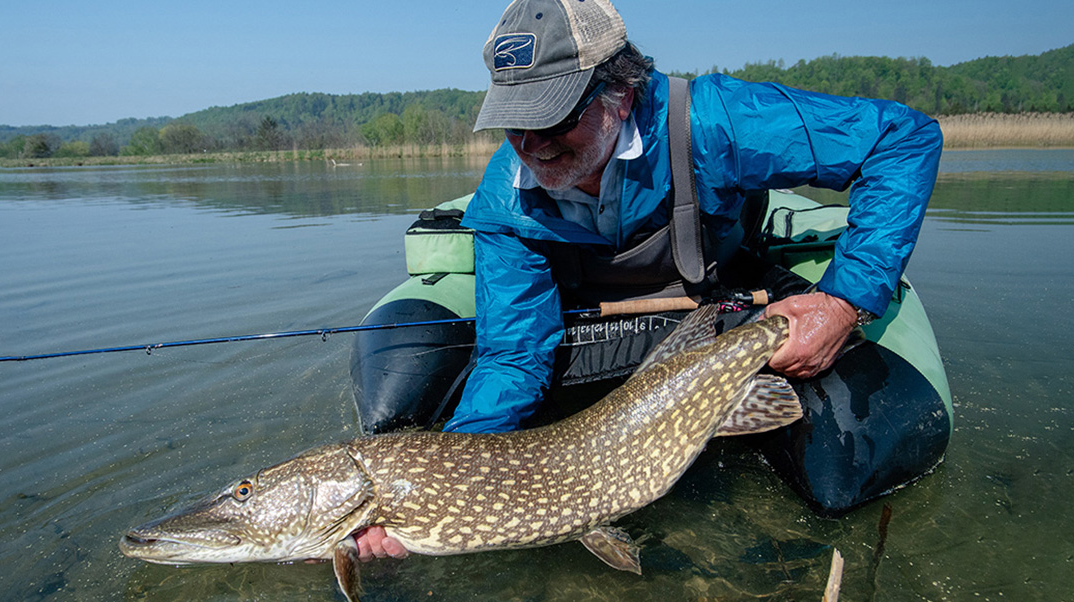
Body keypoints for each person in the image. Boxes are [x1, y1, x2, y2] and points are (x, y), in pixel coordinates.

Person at [357, 0, 941, 560]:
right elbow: (512, 354)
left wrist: (843, 299)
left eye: (551, 117)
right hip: (591, 324)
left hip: (721, 303)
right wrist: (461, 478)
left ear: (620, 91)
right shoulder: (504, 201)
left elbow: (901, 139)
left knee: (847, 469)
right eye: (513, 122)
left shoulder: (713, 119)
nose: (531, 146)